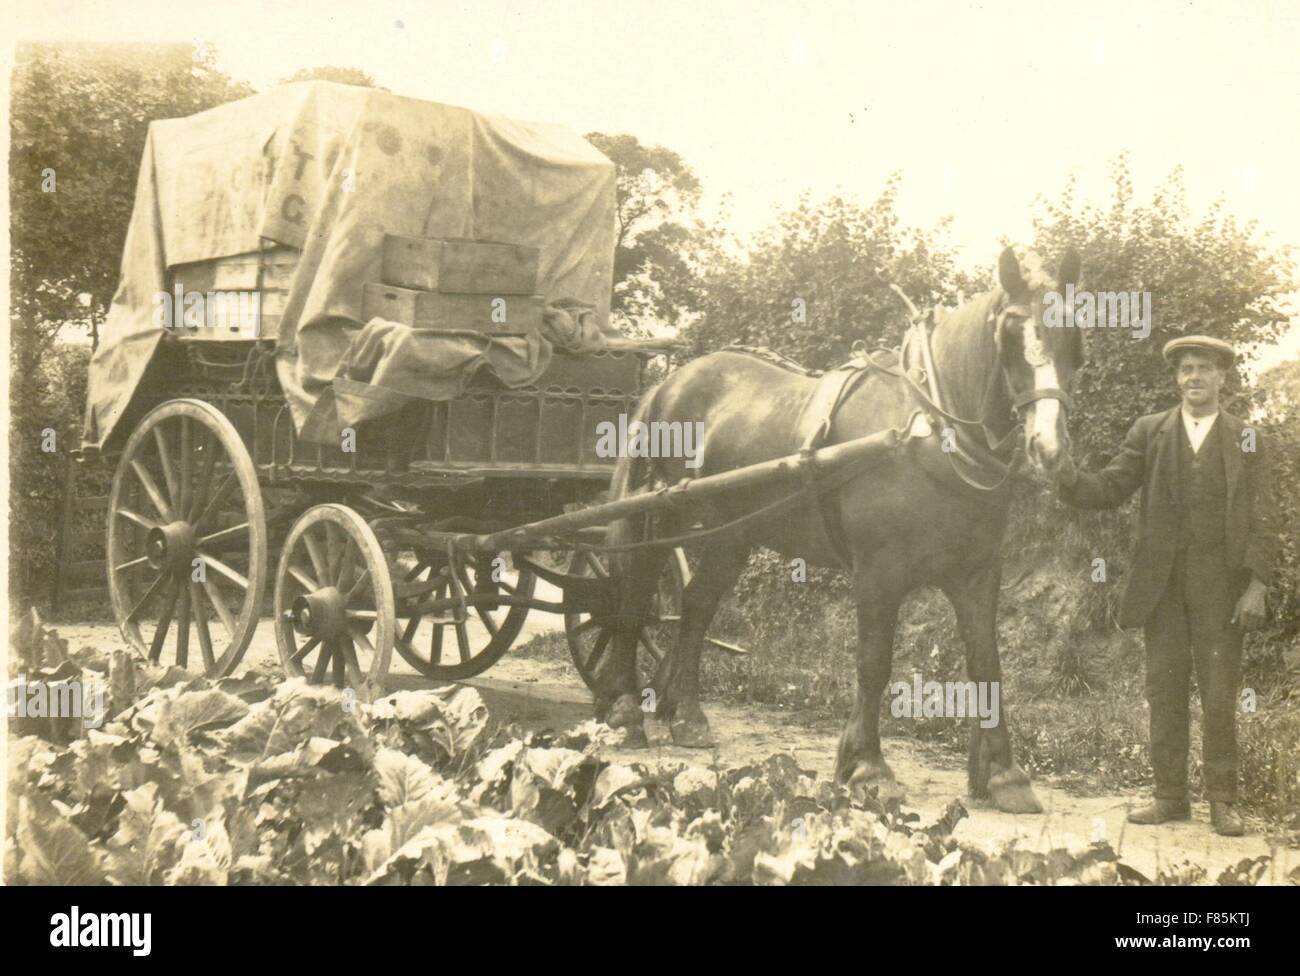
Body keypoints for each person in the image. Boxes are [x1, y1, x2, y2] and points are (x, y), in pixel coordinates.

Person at [1054, 335, 1276, 836]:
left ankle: (1223, 800)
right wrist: (1066, 476)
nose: (1193, 377)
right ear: (1176, 378)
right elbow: (1111, 486)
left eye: (1203, 369)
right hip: (1163, 589)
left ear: (1223, 377)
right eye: (1185, 370)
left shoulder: (1247, 438)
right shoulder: (1150, 431)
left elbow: (1266, 516)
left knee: (1220, 696)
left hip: (1221, 588)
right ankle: (1169, 797)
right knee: (1165, 691)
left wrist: (1257, 584)